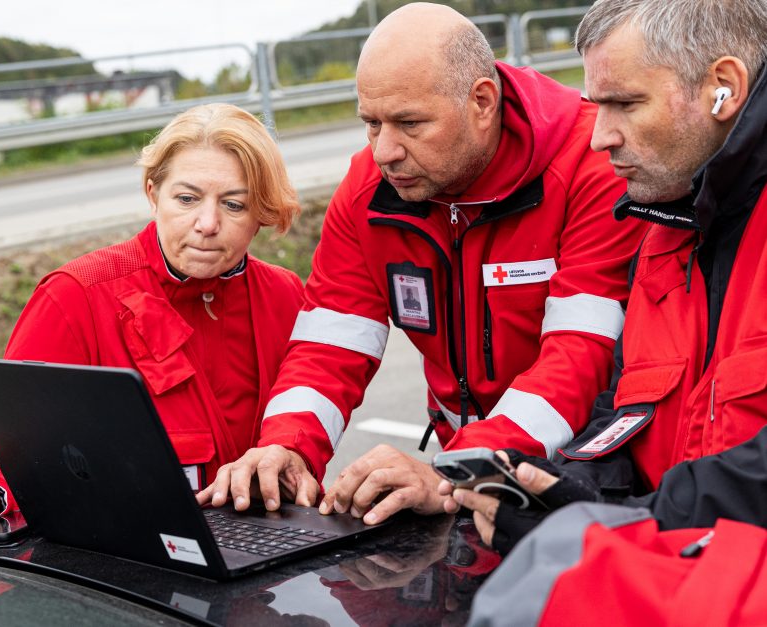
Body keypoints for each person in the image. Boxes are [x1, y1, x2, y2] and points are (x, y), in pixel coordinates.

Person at [197, 2, 646, 522]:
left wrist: (455, 471)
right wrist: (287, 446)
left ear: (482, 101)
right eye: (371, 123)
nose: (385, 150)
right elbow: (331, 342)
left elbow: (580, 355)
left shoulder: (590, 163)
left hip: (588, 466)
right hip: (470, 467)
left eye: (410, 123)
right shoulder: (369, 188)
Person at [0, 103, 306, 542]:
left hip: (269, 549)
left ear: (262, 210)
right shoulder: (76, 295)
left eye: (234, 204)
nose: (207, 224)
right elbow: (15, 430)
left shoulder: (286, 295)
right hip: (133, 561)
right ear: (153, 193)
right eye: (186, 199)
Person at [445, 0, 767, 556]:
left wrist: (618, 527)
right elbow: (622, 420)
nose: (599, 138)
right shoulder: (665, 230)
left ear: (724, 87)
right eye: (596, 106)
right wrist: (552, 489)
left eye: (623, 104)